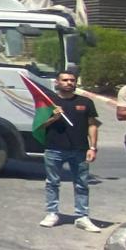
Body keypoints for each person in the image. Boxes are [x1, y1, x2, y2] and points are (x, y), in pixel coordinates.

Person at [38, 67, 102, 231]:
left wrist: (93, 147)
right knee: (52, 183)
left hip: (80, 149)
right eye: (65, 80)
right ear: (57, 82)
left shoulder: (85, 102)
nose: (69, 83)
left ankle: (82, 216)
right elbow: (40, 125)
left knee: (81, 184)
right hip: (54, 149)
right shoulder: (49, 102)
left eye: (72, 80)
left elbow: (92, 125)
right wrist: (54, 117)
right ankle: (52, 213)